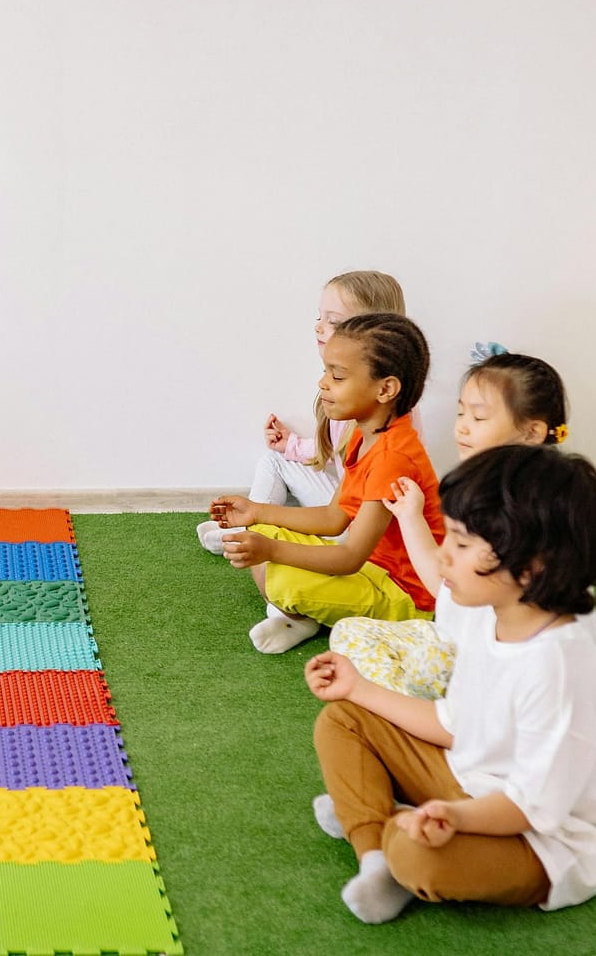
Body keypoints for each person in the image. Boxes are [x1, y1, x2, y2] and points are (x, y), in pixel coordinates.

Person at [306, 446, 596, 923]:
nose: (444, 555)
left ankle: (379, 821)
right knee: (342, 720)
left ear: (531, 568)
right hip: (467, 778)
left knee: (414, 851)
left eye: (461, 545)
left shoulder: (559, 667)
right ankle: (375, 858)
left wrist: (454, 818)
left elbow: (532, 806)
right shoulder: (490, 613)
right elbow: (454, 725)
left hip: (541, 838)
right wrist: (357, 690)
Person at [330, 349, 572, 698]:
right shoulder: (478, 491)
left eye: (479, 416)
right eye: (461, 412)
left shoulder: (528, 510)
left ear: (532, 432)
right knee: (349, 633)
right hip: (458, 639)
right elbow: (443, 586)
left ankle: (417, 709)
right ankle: (412, 703)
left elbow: (455, 593)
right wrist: (411, 516)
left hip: (496, 660)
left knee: (421, 665)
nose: (462, 425)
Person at [208, 313, 443, 653]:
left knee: (281, 578)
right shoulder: (366, 435)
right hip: (370, 571)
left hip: (402, 597)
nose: (323, 383)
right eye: (325, 372)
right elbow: (334, 518)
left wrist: (271, 551)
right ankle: (301, 614)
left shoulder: (393, 457)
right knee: (260, 535)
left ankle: (301, 618)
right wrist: (256, 512)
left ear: (385, 389)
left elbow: (349, 557)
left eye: (337, 376)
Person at [197, 271, 407, 554]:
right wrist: (291, 445)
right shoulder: (348, 389)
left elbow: (348, 512)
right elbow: (338, 450)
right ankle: (245, 529)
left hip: (365, 526)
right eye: (319, 317)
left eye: (333, 321)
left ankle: (252, 536)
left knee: (330, 539)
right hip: (345, 502)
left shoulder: (379, 405)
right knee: (275, 460)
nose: (319, 327)